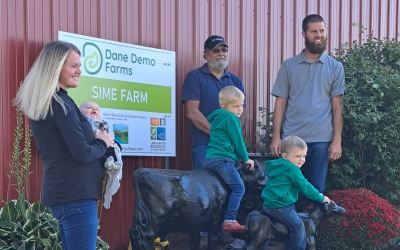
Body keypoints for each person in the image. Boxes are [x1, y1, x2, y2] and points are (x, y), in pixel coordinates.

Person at [13, 41, 114, 250]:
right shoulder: (61, 104)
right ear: (56, 67)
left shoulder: (48, 102)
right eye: (74, 66)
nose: (80, 71)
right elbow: (82, 153)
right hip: (77, 197)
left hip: (64, 195)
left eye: (80, 65)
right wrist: (102, 142)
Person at [269, 14, 345, 211]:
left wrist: (337, 140)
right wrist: (276, 136)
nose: (319, 35)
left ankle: (309, 238)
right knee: (288, 190)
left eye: (322, 31)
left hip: (321, 139)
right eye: (314, 31)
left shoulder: (335, 67)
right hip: (292, 140)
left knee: (315, 191)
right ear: (304, 34)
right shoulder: (289, 66)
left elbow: (337, 107)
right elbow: (280, 103)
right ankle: (289, 237)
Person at [182, 35, 247, 170]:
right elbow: (192, 112)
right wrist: (220, 135)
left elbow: (243, 114)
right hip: (205, 146)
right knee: (206, 188)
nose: (221, 54)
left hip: (229, 148)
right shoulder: (195, 77)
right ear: (205, 54)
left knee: (229, 188)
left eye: (224, 50)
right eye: (216, 50)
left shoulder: (236, 81)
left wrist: (233, 137)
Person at [262, 136, 330, 250]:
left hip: (270, 203)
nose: (301, 159)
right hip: (280, 206)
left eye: (304, 156)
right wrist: (320, 198)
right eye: (297, 156)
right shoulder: (292, 170)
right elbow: (305, 187)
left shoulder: (278, 166)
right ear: (285, 156)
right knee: (298, 226)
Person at [203, 86, 254, 232]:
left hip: (209, 159)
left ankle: (209, 225)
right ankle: (230, 219)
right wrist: (246, 159)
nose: (240, 109)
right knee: (238, 188)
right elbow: (237, 140)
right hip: (222, 160)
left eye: (241, 105)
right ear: (224, 106)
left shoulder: (217, 117)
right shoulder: (231, 118)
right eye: (235, 106)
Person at [79, 101, 123, 209]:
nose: (94, 109)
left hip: (94, 182)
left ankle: (111, 163)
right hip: (84, 181)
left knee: (111, 150)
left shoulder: (104, 125)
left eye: (97, 109)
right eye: (89, 107)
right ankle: (107, 162)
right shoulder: (81, 125)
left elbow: (112, 140)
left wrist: (115, 144)